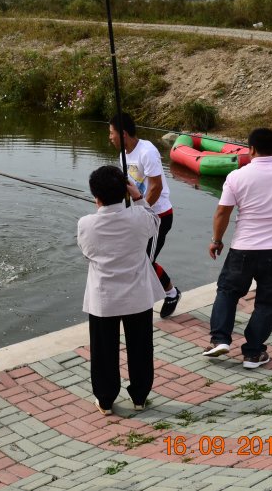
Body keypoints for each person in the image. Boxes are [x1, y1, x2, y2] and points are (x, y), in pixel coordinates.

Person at [204, 129, 272, 369]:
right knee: (269, 302)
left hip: (243, 249)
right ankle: (253, 353)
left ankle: (219, 339)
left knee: (228, 292)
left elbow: (223, 212)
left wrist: (216, 240)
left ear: (251, 149)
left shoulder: (238, 176)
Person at [77, 165, 166, 414]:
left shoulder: (86, 224)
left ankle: (105, 400)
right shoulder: (139, 218)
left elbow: (87, 253)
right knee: (140, 347)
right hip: (137, 296)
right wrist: (137, 197)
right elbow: (154, 222)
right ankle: (139, 397)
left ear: (96, 196)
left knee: (104, 350)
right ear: (125, 190)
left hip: (103, 299)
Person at [108, 113, 182, 318]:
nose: (110, 137)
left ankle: (171, 293)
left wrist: (140, 211)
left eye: (112, 133)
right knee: (135, 258)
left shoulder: (147, 152)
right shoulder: (123, 155)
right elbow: (128, 188)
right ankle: (167, 293)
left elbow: (155, 187)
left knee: (144, 262)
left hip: (158, 216)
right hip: (139, 214)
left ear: (123, 133)